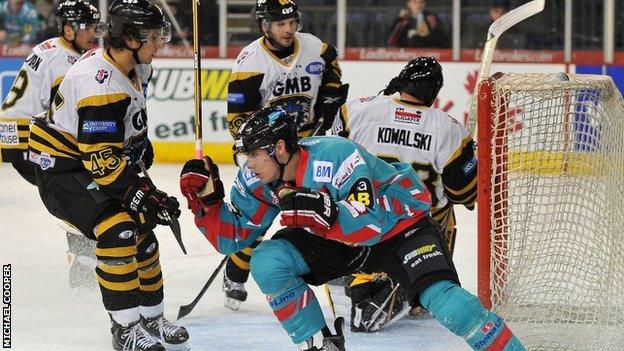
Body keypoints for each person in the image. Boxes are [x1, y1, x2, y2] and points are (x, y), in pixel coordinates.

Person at [179, 106, 525, 351]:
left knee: (452, 308)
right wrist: (206, 202)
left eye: (253, 154)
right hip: (339, 242)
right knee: (268, 261)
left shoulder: (336, 155)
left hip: (400, 230)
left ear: (280, 148)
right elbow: (232, 239)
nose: (248, 164)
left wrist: (323, 210)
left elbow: (368, 223)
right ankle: (320, 345)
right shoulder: (257, 179)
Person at [27, 0, 189, 350]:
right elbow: (100, 160)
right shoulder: (97, 83)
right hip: (63, 168)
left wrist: (141, 161)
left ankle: (151, 318)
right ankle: (125, 328)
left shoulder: (137, 65)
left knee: (144, 228)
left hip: (93, 159)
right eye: (153, 36)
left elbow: (124, 128)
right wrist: (140, 192)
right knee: (119, 229)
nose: (161, 42)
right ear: (130, 38)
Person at [329, 56, 477, 332]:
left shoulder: (357, 110)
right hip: (415, 231)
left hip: (361, 223)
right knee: (446, 211)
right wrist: (472, 163)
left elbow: (332, 159)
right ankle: (422, 285)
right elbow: (462, 193)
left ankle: (355, 274)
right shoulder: (450, 129)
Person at [222, 0, 349, 310]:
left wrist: (331, 101)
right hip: (271, 153)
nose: (289, 29)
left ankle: (338, 266)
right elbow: (238, 121)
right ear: (265, 25)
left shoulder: (316, 48)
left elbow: (333, 77)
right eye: (281, 23)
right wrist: (263, 152)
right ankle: (234, 274)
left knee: (322, 207)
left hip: (309, 145)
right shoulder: (250, 62)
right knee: (260, 217)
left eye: (292, 22)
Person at [0, 0, 104, 288]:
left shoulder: (53, 50)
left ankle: (87, 261)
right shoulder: (62, 59)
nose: (94, 34)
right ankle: (84, 269)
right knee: (81, 193)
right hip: (30, 144)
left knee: (82, 194)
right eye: (90, 28)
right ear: (69, 30)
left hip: (20, 138)